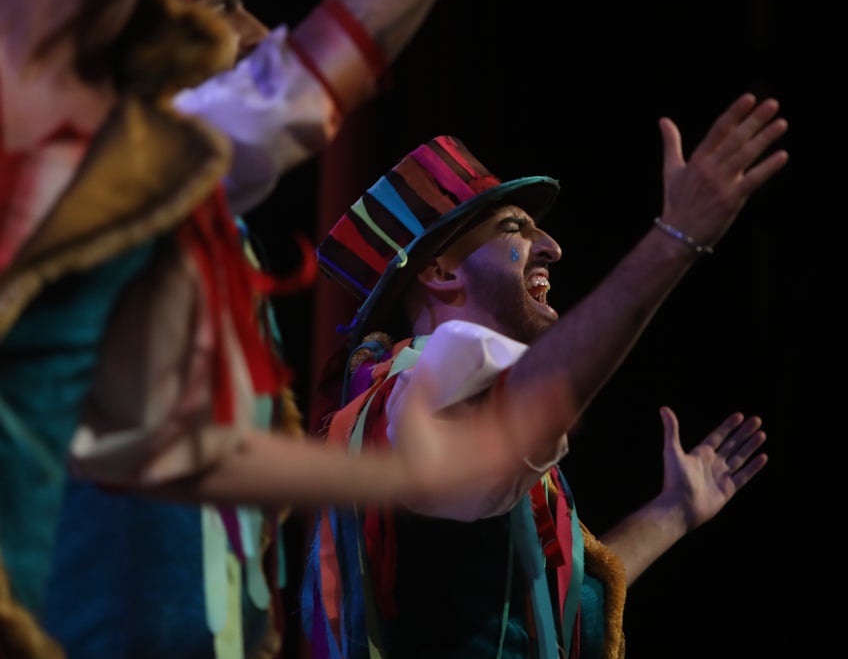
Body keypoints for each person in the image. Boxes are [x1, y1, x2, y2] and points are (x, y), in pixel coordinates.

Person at [0, 0, 565, 657]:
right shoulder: (62, 167)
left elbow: (183, 452)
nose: (257, 33)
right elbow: (300, 83)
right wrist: (673, 241)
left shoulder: (172, 213)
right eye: (223, 7)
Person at [302, 91, 789, 659]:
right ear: (439, 270)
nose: (552, 248)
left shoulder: (434, 399)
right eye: (515, 227)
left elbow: (552, 613)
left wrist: (673, 511)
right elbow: (532, 398)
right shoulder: (420, 392)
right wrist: (674, 238)